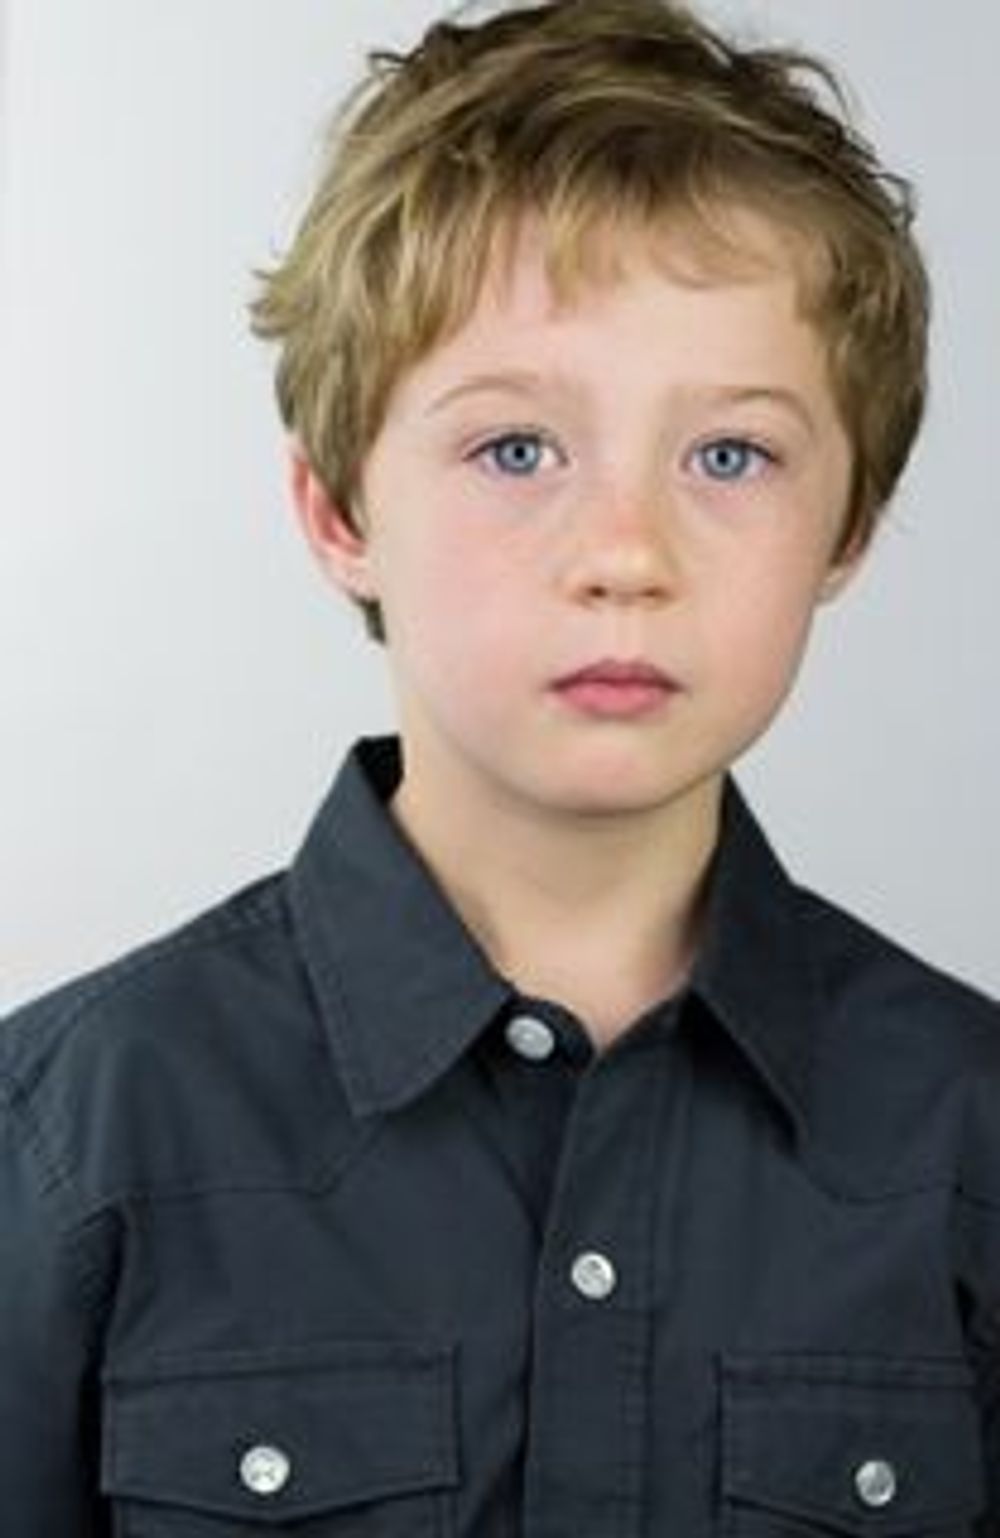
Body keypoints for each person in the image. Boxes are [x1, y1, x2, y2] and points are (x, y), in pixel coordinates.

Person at [2, 0, 998, 1531]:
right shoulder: (67, 1142)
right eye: (516, 449)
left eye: (730, 454)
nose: (626, 552)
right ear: (341, 510)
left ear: (849, 527)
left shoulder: (969, 1136)